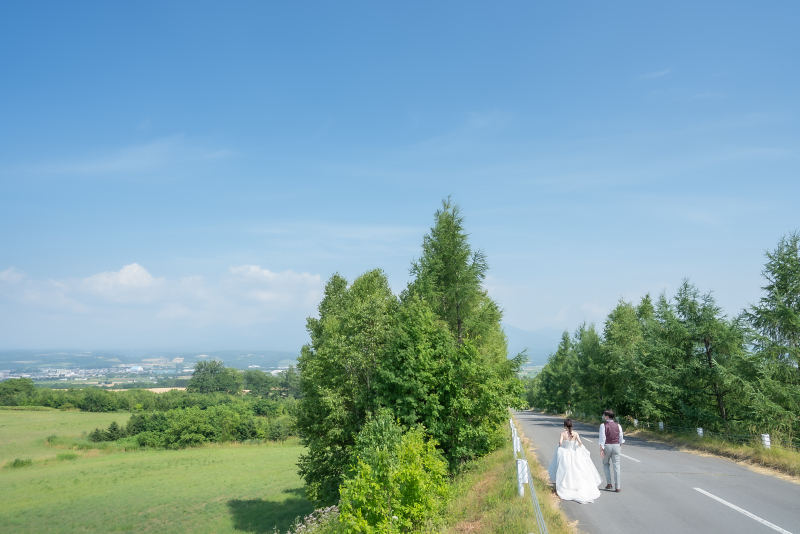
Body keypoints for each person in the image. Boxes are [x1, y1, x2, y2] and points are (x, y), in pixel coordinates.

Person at [547, 418, 602, 503]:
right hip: (574, 453)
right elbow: (580, 443)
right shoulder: (576, 434)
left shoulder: (562, 433)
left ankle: (567, 485)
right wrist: (577, 446)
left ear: (565, 425)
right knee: (577, 469)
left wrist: (561, 445)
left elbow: (560, 443)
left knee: (566, 469)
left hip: (566, 454)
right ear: (571, 425)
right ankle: (577, 485)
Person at [599, 409, 625, 492]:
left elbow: (602, 437)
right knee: (616, 465)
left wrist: (601, 449)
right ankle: (618, 486)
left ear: (607, 416)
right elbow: (621, 437)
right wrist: (620, 445)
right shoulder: (618, 425)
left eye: (604, 415)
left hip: (607, 445)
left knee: (606, 463)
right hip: (616, 445)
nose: (603, 416)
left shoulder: (603, 425)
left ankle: (609, 483)